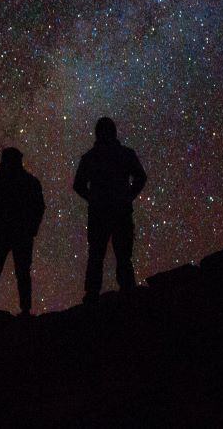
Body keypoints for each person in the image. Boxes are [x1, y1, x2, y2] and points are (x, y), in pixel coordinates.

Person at [73, 117, 148, 305]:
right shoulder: (125, 154)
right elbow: (140, 177)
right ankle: (128, 294)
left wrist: (92, 198)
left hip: (99, 213)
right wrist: (128, 195)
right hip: (120, 211)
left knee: (97, 256)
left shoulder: (90, 157)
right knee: (123, 256)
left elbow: (78, 185)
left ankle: (92, 297)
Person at [0, 147, 46, 317]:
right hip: (20, 234)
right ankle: (25, 310)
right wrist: (32, 229)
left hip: (4, 233)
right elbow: (39, 207)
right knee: (21, 272)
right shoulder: (30, 182)